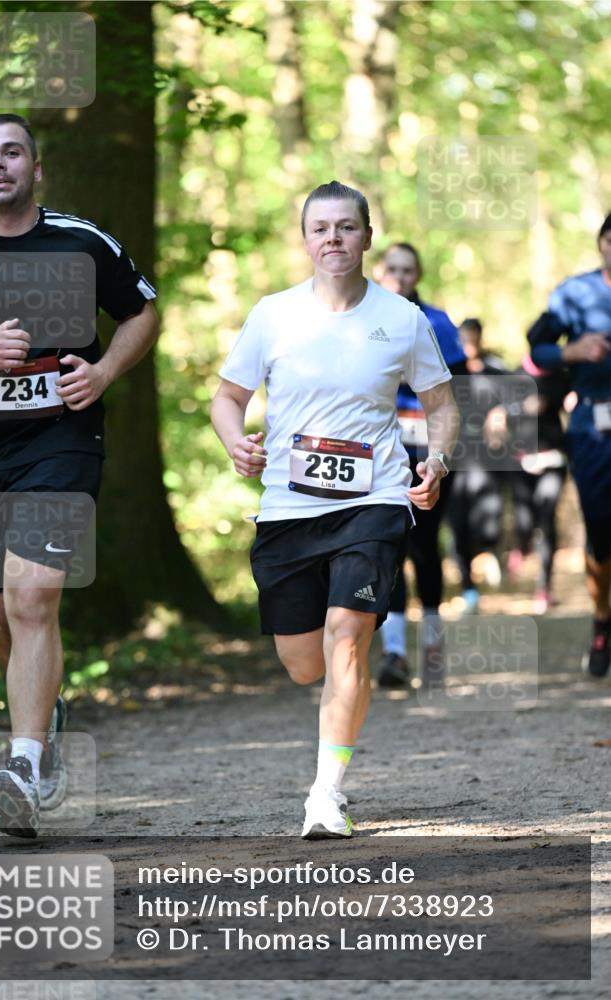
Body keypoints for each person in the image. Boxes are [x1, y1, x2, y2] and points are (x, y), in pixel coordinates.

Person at [211, 182, 459, 838]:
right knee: (306, 664)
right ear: (304, 239)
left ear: (366, 238)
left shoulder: (402, 318)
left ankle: (326, 792)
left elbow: (441, 404)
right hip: (288, 508)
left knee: (347, 635)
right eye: (319, 227)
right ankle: (342, 703)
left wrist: (432, 461)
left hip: (373, 501)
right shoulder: (273, 315)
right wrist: (235, 441)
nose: (332, 238)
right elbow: (226, 397)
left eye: (345, 227)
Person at [0, 114, 159, 836]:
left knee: (35, 595)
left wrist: (102, 371)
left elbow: (142, 311)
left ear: (37, 168)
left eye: (12, 152)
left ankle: (28, 764)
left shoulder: (80, 241)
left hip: (64, 439)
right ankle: (44, 714)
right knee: (6, 613)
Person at [375, 243, 467, 687]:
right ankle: (393, 653)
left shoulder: (437, 322)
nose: (400, 277)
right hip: (378, 452)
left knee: (425, 547)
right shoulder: (360, 319)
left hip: (429, 449)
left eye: (408, 270)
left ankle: (432, 646)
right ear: (379, 270)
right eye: (392, 269)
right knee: (389, 545)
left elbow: (459, 385)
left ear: (419, 274)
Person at [528, 213, 611, 676]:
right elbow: (536, 346)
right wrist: (573, 352)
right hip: (593, 427)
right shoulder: (575, 293)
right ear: (602, 243)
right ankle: (602, 623)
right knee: (601, 529)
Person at [447, 318, 506, 614]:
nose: (469, 344)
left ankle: (489, 549)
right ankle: (468, 586)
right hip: (454, 459)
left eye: (473, 338)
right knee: (458, 525)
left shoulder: (495, 371)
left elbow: (509, 403)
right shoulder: (447, 372)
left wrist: (500, 416)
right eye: (464, 339)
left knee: (489, 519)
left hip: (485, 458)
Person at [505, 355, 569, 615]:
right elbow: (502, 410)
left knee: (546, 517)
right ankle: (522, 544)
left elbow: (572, 400)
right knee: (524, 521)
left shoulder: (561, 375)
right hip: (522, 461)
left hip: (553, 458)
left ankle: (544, 587)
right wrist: (521, 408)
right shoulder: (514, 375)